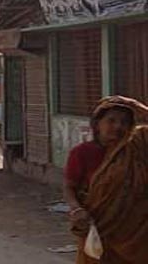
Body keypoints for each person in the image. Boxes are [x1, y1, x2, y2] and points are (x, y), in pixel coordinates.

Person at [63, 96, 148, 264]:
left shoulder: (139, 146)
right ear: (97, 124)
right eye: (111, 120)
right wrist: (77, 209)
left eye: (124, 122)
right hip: (99, 227)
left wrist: (140, 108)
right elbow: (69, 187)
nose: (118, 126)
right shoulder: (83, 152)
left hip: (137, 233)